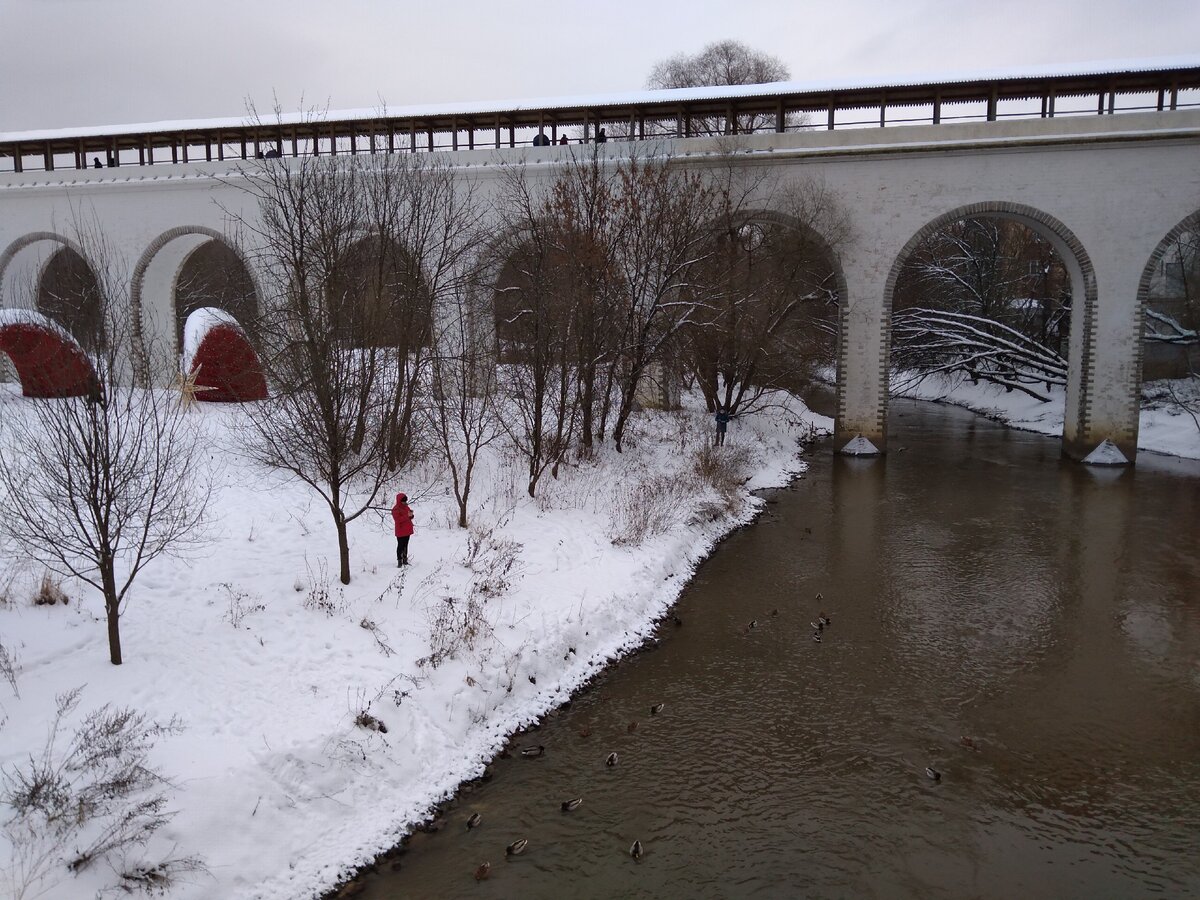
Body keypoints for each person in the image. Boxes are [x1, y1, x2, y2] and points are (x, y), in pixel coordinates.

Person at [392, 492, 414, 566]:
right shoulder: (395, 509)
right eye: (403, 501)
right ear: (399, 501)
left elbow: (408, 516)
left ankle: (405, 560)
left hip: (407, 530)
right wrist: (407, 516)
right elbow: (397, 520)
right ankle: (399, 561)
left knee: (405, 545)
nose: (405, 502)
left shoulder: (406, 507)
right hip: (400, 530)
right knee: (400, 546)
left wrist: (411, 516)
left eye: (405, 501)